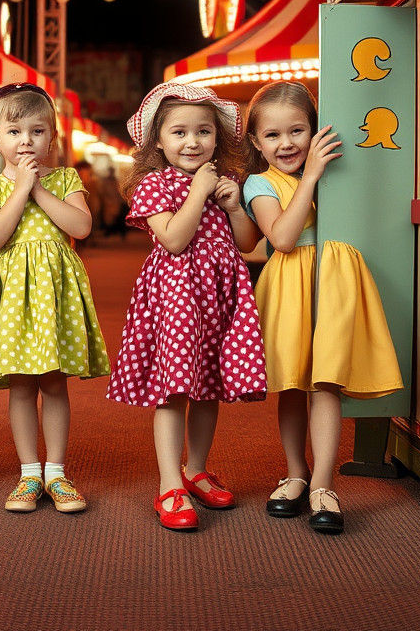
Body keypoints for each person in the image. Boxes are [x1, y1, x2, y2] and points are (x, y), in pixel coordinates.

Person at [242, 81, 402, 535]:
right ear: (256, 142)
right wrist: (309, 178)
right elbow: (282, 238)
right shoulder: (259, 182)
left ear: (314, 129)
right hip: (290, 282)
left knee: (325, 381)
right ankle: (295, 473)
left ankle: (323, 486)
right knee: (292, 383)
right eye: (271, 135)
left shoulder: (339, 168)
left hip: (336, 280)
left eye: (296, 130)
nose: (286, 143)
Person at [107, 82, 267, 532]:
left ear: (218, 138)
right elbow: (174, 240)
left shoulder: (227, 182)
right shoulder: (153, 184)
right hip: (176, 296)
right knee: (174, 389)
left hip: (218, 294)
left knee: (209, 383)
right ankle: (168, 483)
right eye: (179, 132)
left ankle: (196, 469)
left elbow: (248, 243)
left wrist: (235, 207)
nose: (192, 142)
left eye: (203, 132)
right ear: (158, 140)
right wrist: (199, 191)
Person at [0, 82, 110, 514]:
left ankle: (57, 473)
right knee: (22, 387)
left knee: (55, 383)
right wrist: (20, 187)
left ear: (52, 138)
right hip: (14, 298)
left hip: (55, 295)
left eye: (37, 131)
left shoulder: (65, 178)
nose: (25, 141)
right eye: (14, 132)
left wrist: (39, 188)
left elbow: (80, 228)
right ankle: (29, 473)